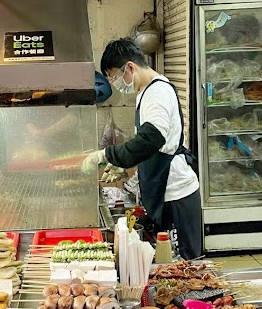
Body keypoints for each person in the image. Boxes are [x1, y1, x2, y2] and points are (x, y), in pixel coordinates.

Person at [82, 39, 203, 260]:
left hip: (176, 194)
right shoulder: (146, 91)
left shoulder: (157, 93)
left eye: (116, 77)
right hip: (164, 189)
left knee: (185, 266)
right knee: (169, 265)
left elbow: (152, 139)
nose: (117, 83)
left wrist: (108, 155)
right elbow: (154, 145)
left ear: (130, 67)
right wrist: (124, 166)